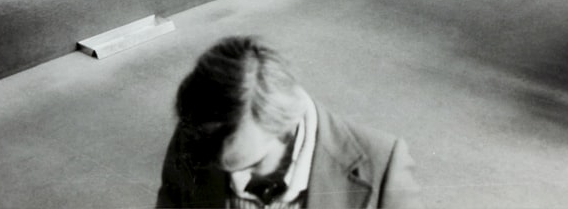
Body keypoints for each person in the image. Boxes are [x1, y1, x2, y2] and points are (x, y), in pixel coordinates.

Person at [156, 36, 423, 209]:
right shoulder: (197, 136)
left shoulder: (383, 165)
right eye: (225, 168)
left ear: (287, 127)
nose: (238, 180)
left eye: (253, 164)